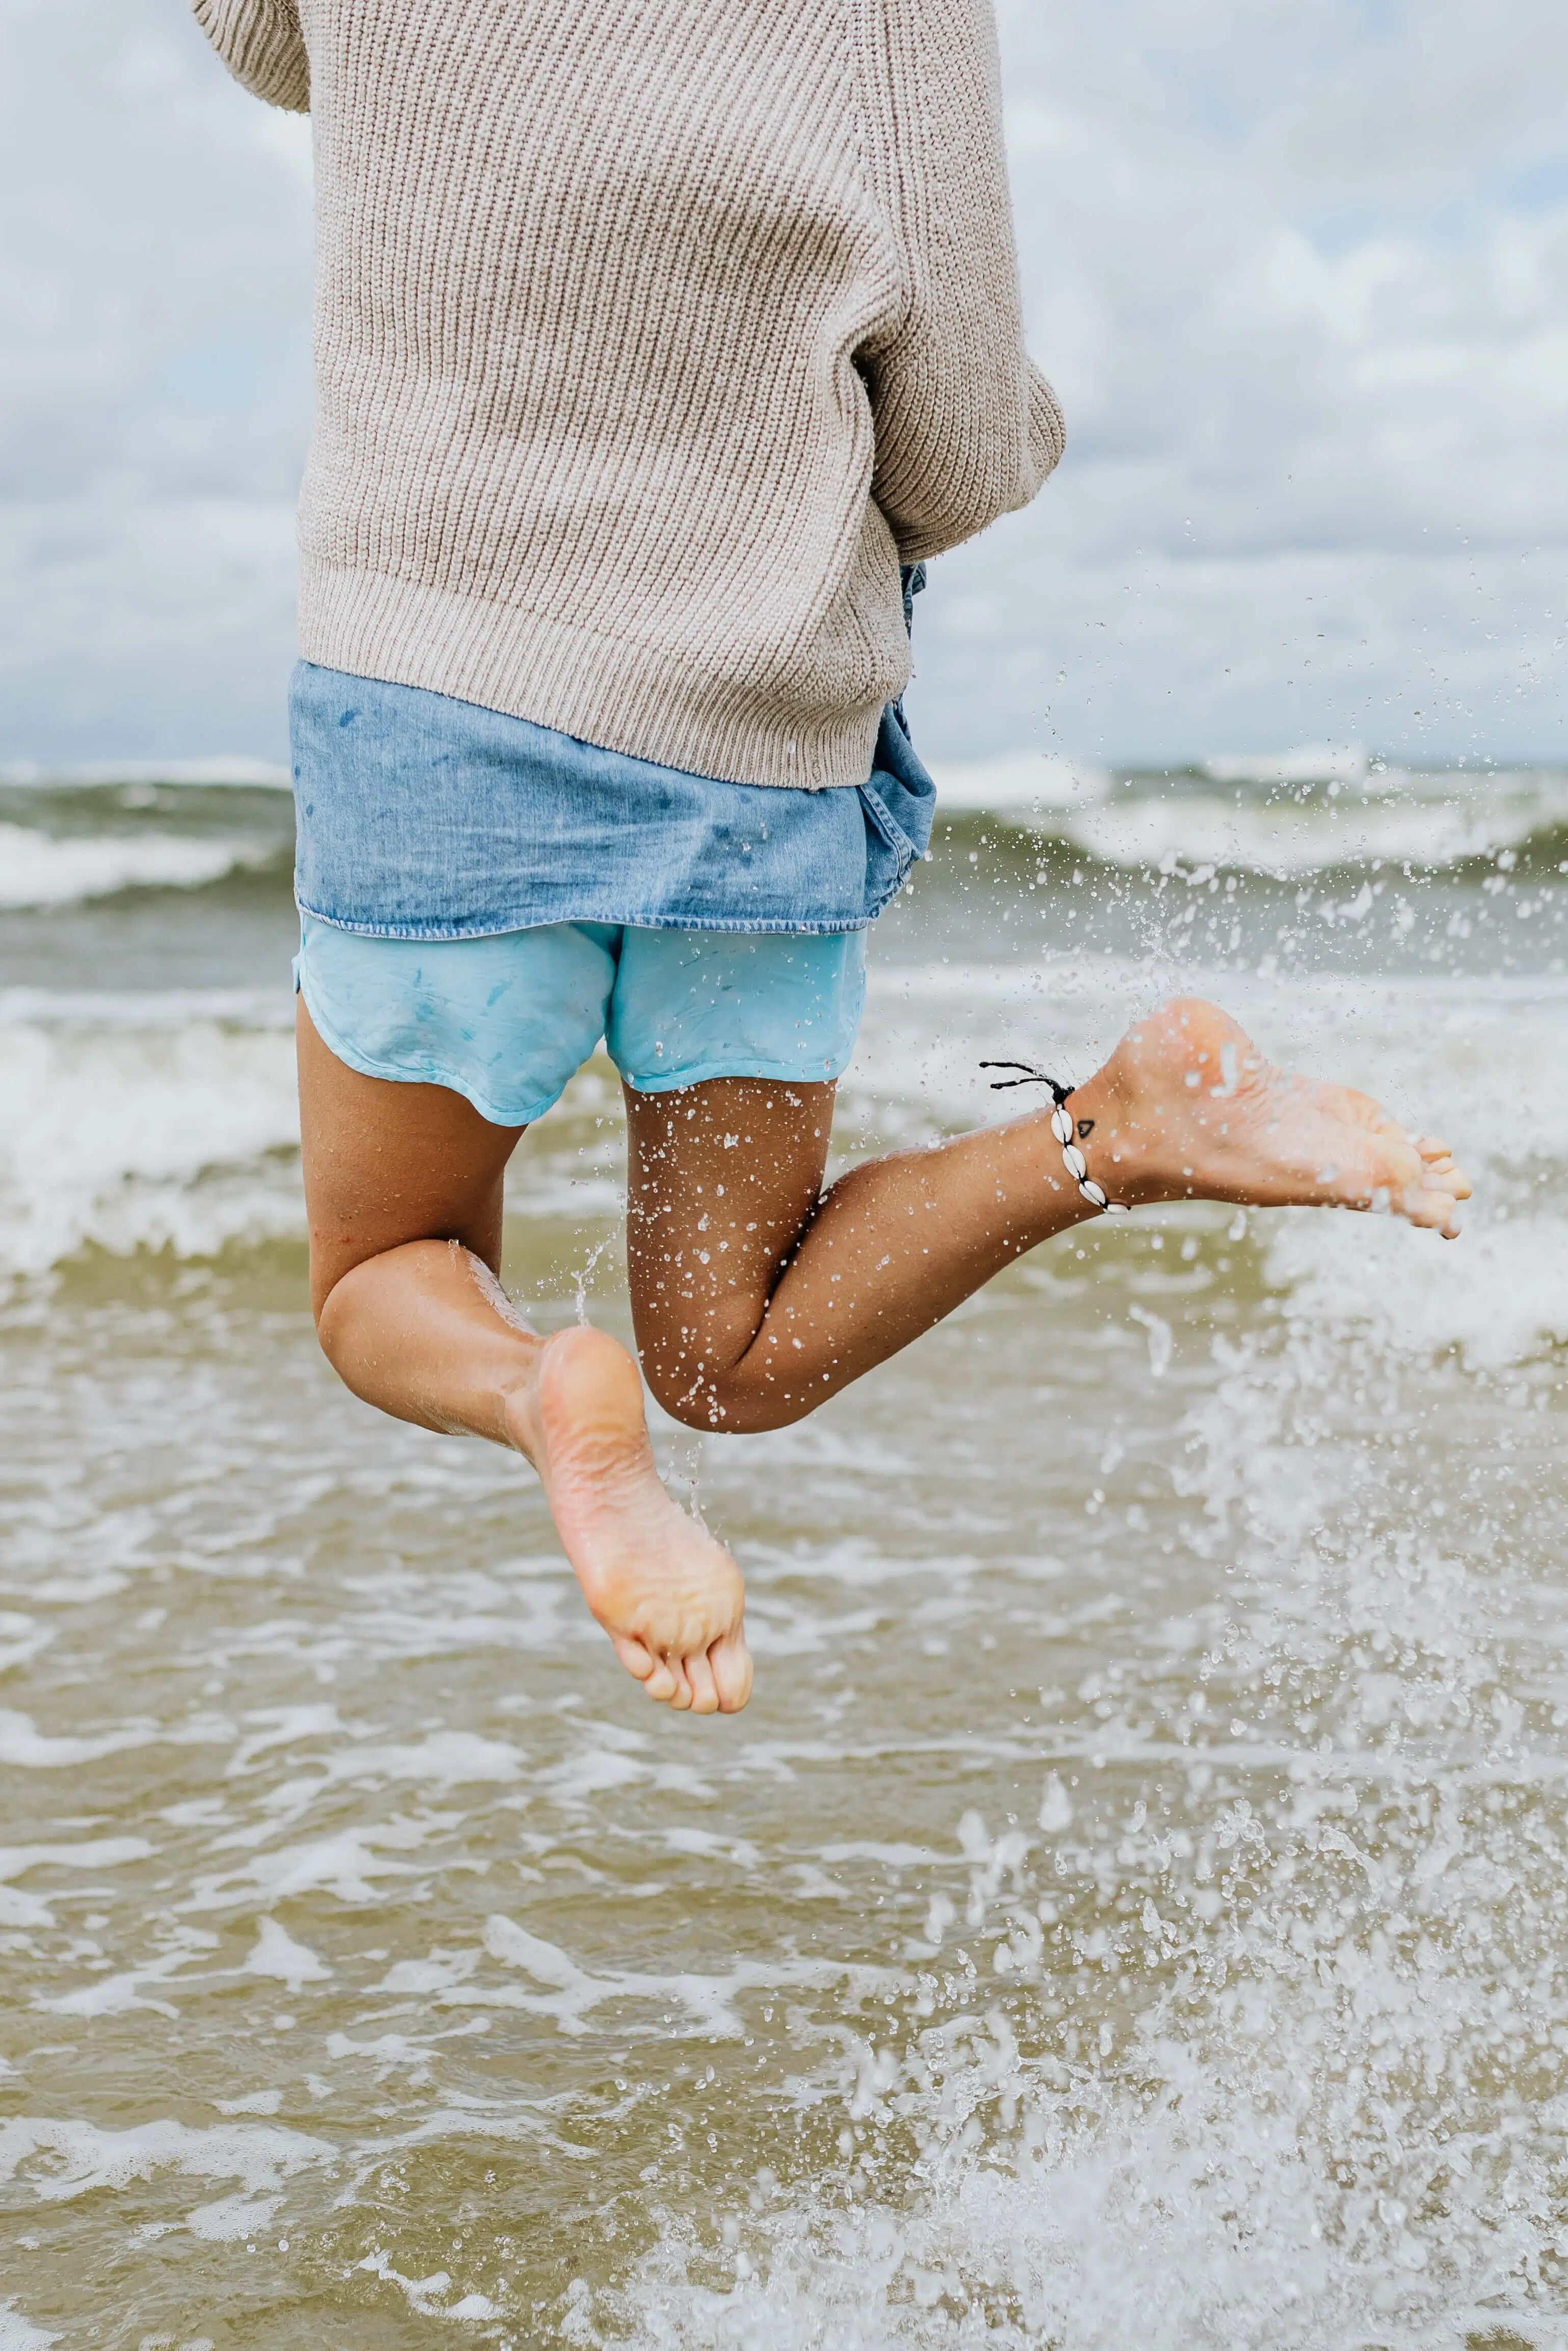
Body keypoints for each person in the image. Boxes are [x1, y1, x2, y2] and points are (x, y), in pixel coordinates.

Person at [194, 0, 1470, 1719]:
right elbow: (954, 431)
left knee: (383, 1271)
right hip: (755, 728)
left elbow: (266, 44)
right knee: (726, 1348)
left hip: (435, 692)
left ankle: (536, 1385)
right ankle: (1120, 1123)